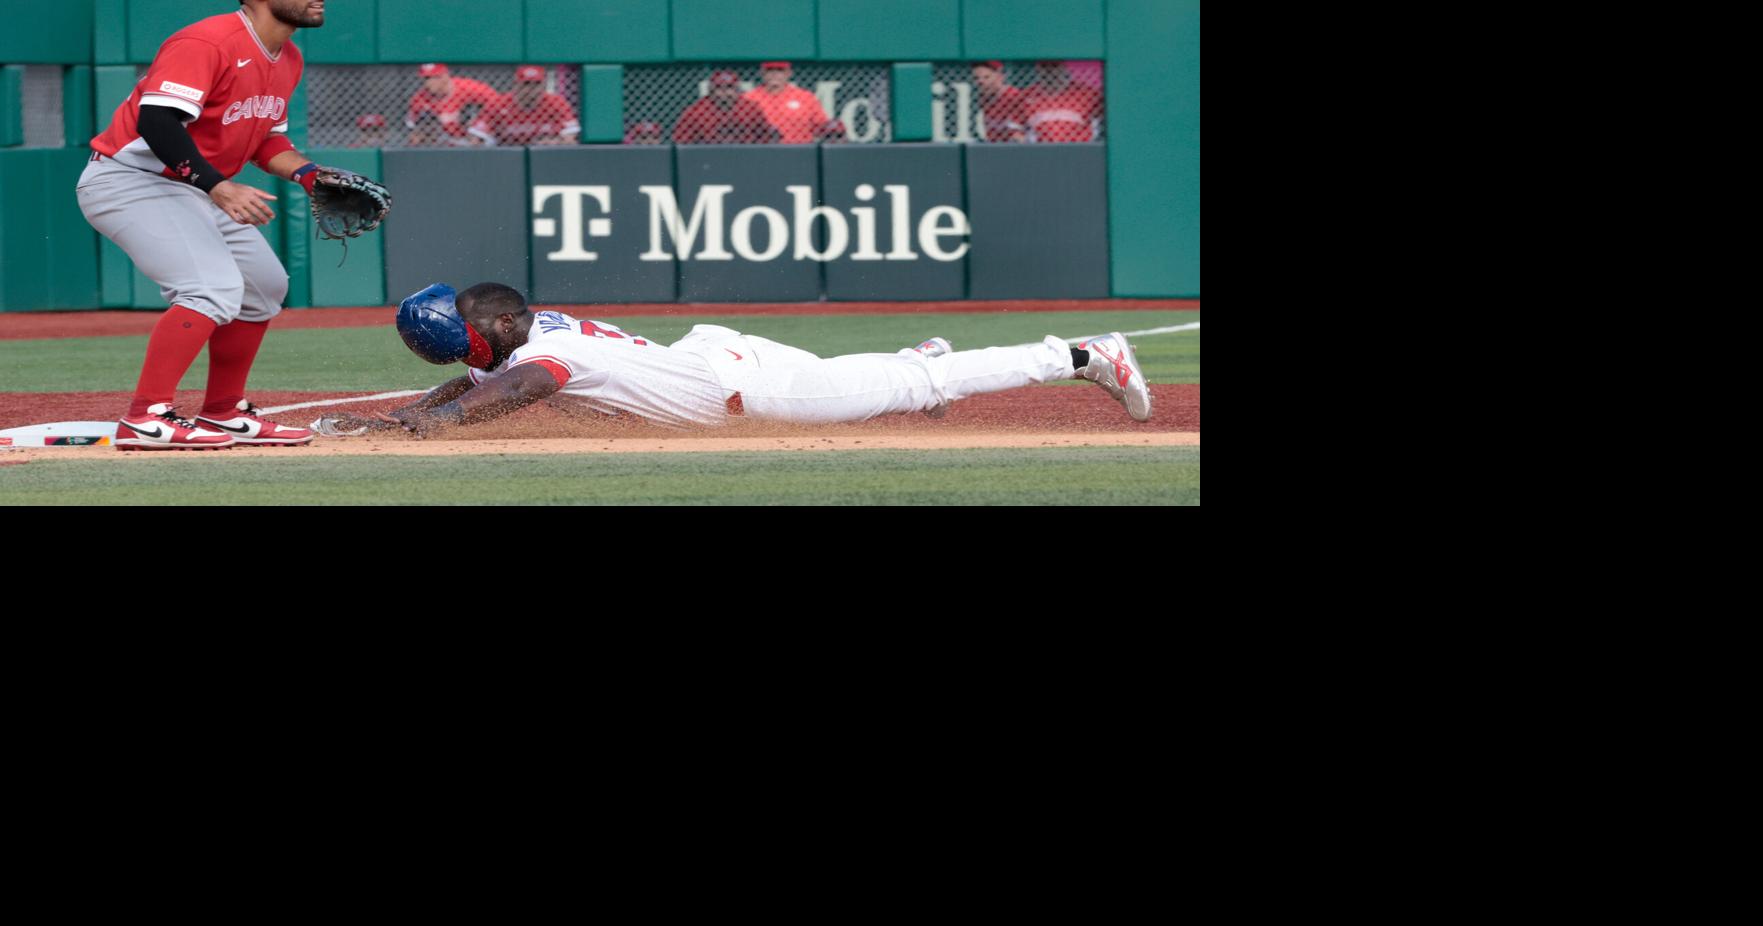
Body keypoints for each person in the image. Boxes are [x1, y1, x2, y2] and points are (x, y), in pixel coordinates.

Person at [79, 0, 388, 450]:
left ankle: (223, 411)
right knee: (210, 287)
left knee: (263, 287)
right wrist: (218, 187)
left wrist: (308, 175)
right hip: (129, 179)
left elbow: (266, 139)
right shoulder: (207, 42)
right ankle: (145, 417)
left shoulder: (289, 57)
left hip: (192, 187)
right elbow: (157, 120)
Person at [335, 282, 1151, 438]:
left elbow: (510, 389)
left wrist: (429, 425)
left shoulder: (544, 351)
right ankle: (905, 361)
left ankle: (1083, 353)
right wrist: (408, 413)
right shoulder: (531, 330)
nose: (467, 343)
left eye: (471, 329)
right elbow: (480, 379)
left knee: (922, 387)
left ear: (504, 322)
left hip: (745, 389)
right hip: (715, 352)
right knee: (882, 381)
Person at [467, 65, 579, 146]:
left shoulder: (555, 103)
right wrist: (483, 142)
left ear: (544, 85)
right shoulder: (498, 103)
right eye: (526, 84)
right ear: (516, 85)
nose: (531, 89)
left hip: (546, 156)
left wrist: (555, 142)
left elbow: (571, 139)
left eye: (537, 84)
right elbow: (476, 138)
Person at [404, 62, 501, 146]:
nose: (429, 82)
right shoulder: (420, 98)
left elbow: (498, 103)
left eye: (435, 77)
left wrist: (480, 120)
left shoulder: (469, 87)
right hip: (444, 140)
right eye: (426, 78)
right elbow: (413, 127)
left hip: (475, 137)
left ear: (445, 76)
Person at [672, 69, 778, 144]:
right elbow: (680, 141)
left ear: (737, 90)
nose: (725, 92)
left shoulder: (750, 108)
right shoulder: (697, 110)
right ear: (711, 90)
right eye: (719, 88)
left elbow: (767, 137)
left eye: (729, 87)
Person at [742, 62, 839, 144]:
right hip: (762, 150)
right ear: (762, 73)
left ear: (789, 73)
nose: (774, 74)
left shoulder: (805, 97)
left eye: (780, 70)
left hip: (800, 150)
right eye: (770, 70)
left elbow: (821, 126)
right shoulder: (749, 98)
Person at [1022, 60, 1103, 143]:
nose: (1050, 72)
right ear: (1038, 70)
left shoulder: (1087, 93)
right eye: (1045, 68)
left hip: (1080, 147)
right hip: (1040, 148)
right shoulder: (1026, 96)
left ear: (1064, 69)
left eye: (1055, 67)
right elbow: (1017, 132)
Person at [971, 60, 1027, 143]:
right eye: (976, 78)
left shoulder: (1013, 96)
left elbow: (1020, 136)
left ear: (1000, 77)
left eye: (986, 77)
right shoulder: (984, 99)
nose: (980, 82)